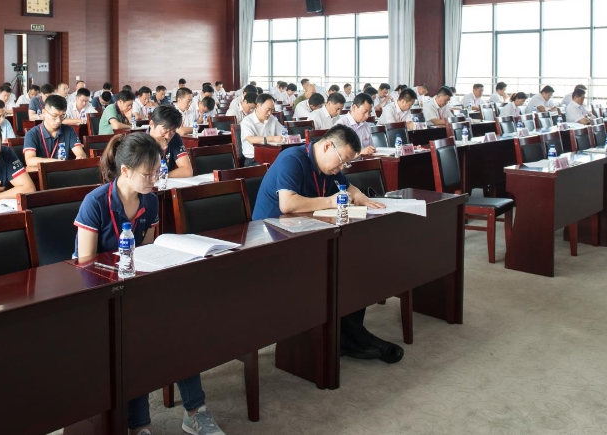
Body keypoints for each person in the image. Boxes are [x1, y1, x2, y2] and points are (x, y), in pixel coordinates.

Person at [73, 133, 226, 435]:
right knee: (136, 337)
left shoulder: (151, 201)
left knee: (179, 327)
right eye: (148, 174)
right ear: (125, 171)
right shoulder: (96, 202)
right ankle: (139, 425)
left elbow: (147, 253)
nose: (155, 179)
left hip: (134, 288)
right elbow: (85, 265)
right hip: (97, 294)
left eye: (158, 171)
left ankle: (195, 411)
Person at [250, 125, 398, 363]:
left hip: (304, 236)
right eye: (342, 161)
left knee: (356, 263)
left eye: (347, 164)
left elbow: (347, 186)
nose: (342, 167)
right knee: (336, 270)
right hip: (272, 243)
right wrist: (330, 201)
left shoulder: (328, 166)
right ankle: (353, 340)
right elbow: (288, 204)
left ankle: (347, 338)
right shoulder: (292, 159)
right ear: (328, 145)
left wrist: (360, 196)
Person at [23, 95, 86, 167]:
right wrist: (57, 162)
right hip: (41, 173)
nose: (58, 120)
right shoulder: (32, 134)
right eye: (54, 116)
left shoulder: (69, 130)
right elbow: (30, 160)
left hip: (63, 171)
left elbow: (80, 153)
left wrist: (80, 157)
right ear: (44, 112)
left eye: (62, 116)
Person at [148, 105, 193, 178]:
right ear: (151, 124)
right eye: (164, 132)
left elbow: (187, 171)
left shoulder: (175, 138)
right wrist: (154, 142)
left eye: (173, 131)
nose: (168, 136)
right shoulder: (138, 140)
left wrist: (161, 176)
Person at [241, 94, 285, 166]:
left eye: (272, 110)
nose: (269, 113)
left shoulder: (271, 118)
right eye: (268, 110)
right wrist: (273, 138)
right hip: (253, 159)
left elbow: (283, 132)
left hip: (272, 156)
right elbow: (251, 139)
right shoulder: (247, 121)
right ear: (258, 106)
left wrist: (284, 136)